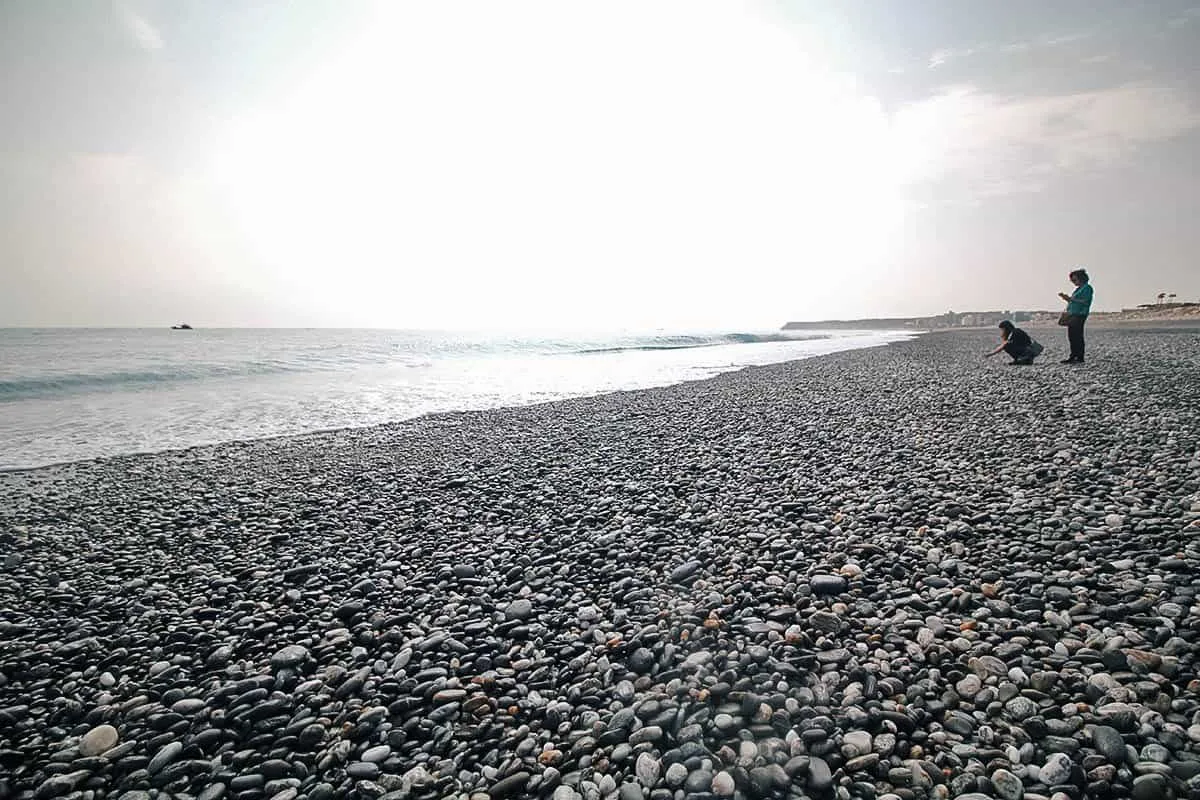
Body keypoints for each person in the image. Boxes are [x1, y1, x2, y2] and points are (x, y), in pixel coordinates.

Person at [1058, 268, 1093, 364]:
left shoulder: (1087, 288)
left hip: (1080, 314)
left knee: (1077, 335)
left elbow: (1085, 301)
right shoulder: (1078, 289)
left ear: (1081, 278)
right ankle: (1073, 355)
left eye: (1075, 280)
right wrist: (1066, 298)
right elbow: (1073, 301)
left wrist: (1071, 299)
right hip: (1073, 314)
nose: (1073, 282)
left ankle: (1079, 356)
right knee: (1072, 336)